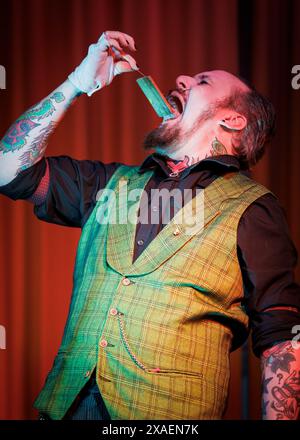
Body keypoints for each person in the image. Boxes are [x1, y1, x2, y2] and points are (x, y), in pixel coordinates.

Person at [0, 30, 299, 421]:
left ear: (232, 119)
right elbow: (8, 169)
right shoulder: (107, 184)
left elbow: (283, 341)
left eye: (201, 81)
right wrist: (77, 83)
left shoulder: (253, 208)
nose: (181, 80)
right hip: (65, 409)